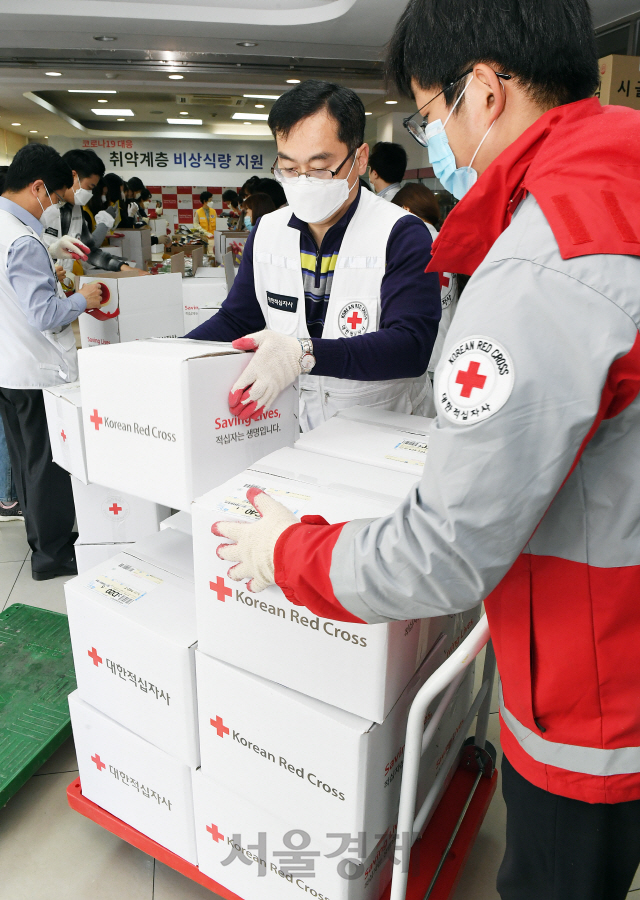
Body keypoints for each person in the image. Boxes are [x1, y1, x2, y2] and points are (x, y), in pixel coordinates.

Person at [210, 2, 640, 899]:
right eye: (284, 167)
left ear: (483, 91)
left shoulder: (537, 261)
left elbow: (446, 548)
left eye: (429, 115)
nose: (434, 137)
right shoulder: (619, 175)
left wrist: (288, 552)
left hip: (598, 680)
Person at [186, 80, 441, 432]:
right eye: (289, 169)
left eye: (321, 168)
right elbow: (237, 319)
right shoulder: (268, 231)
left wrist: (302, 353)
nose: (304, 181)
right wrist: (173, 353)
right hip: (294, 426)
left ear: (361, 159)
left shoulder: (401, 233)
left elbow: (411, 347)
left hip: (383, 428)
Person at [0, 144, 104, 578]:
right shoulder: (22, 241)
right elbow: (44, 314)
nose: (55, 207)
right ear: (38, 186)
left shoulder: (7, 228)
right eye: (56, 198)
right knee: (47, 466)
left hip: (9, 365)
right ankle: (54, 554)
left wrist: (51, 252)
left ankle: (41, 541)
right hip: (35, 368)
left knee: (26, 464)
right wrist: (84, 298)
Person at [392, 183, 458, 378]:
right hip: (446, 348)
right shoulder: (445, 242)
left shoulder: (409, 244)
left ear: (405, 210)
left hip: (419, 355)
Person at [41, 149, 128, 273]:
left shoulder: (76, 209)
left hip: (64, 283)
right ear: (73, 176)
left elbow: (88, 250)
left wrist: (121, 267)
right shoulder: (41, 208)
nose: (90, 193)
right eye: (89, 187)